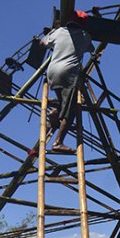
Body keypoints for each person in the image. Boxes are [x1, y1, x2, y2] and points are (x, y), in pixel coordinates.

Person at [40, 10, 94, 154]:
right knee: (71, 111)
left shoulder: (59, 32)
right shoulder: (85, 36)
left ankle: (54, 113)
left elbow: (42, 43)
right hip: (68, 74)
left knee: (64, 103)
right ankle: (58, 142)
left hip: (52, 72)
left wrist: (52, 32)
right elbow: (92, 49)